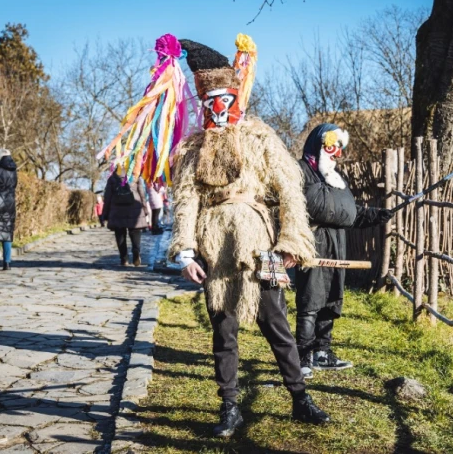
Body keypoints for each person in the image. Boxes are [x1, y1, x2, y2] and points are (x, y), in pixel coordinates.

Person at [169, 35, 330, 437]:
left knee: (276, 324)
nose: (219, 109)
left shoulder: (261, 137)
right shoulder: (192, 149)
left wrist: (292, 241)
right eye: (212, 101)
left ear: (236, 97)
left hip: (260, 245)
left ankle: (300, 399)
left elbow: (291, 191)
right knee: (223, 332)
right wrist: (186, 252)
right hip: (215, 249)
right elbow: (186, 200)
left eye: (226, 99)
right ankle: (229, 408)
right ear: (203, 102)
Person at [295, 123, 393, 379]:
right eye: (331, 146)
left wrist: (375, 215)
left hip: (338, 245)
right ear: (319, 144)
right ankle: (302, 357)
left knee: (330, 300)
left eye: (339, 149)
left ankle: (322, 353)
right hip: (312, 243)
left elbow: (351, 212)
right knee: (311, 301)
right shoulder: (300, 172)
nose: (335, 153)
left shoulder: (337, 179)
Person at [102, 167, 148, 266]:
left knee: (120, 233)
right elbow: (142, 193)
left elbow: (107, 197)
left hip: (117, 209)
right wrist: (145, 209)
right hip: (134, 208)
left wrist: (105, 213)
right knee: (135, 231)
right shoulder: (135, 175)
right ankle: (136, 253)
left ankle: (124, 258)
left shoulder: (112, 177)